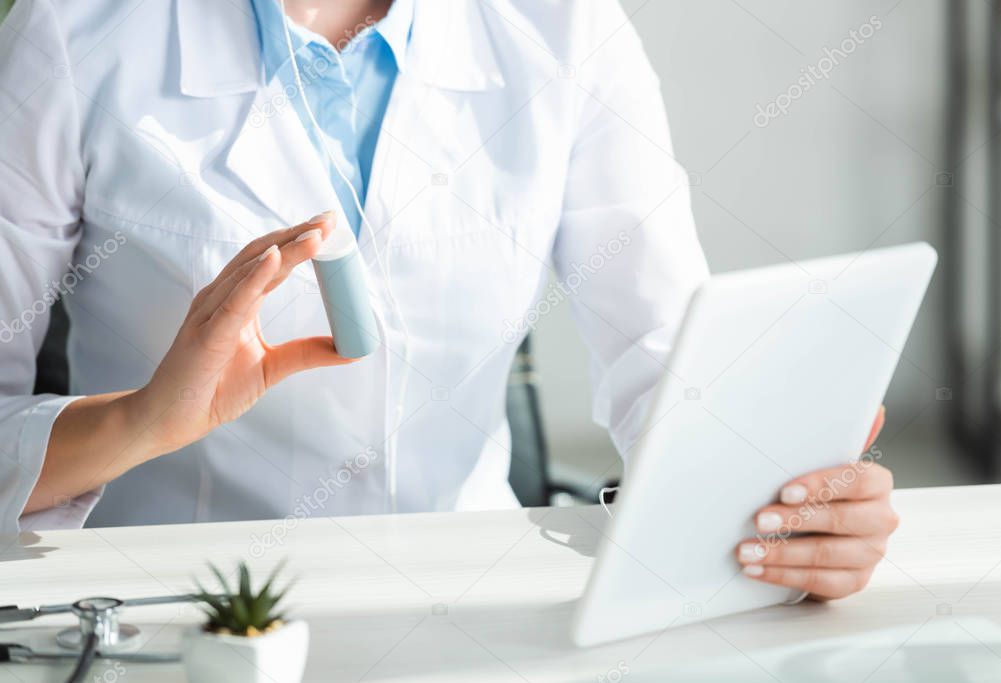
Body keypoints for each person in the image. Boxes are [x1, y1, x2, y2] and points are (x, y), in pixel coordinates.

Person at [0, 0, 898, 600]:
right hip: (176, 611)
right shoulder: (78, 30)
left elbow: (668, 359)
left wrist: (782, 503)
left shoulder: (564, 25)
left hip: (471, 598)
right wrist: (145, 422)